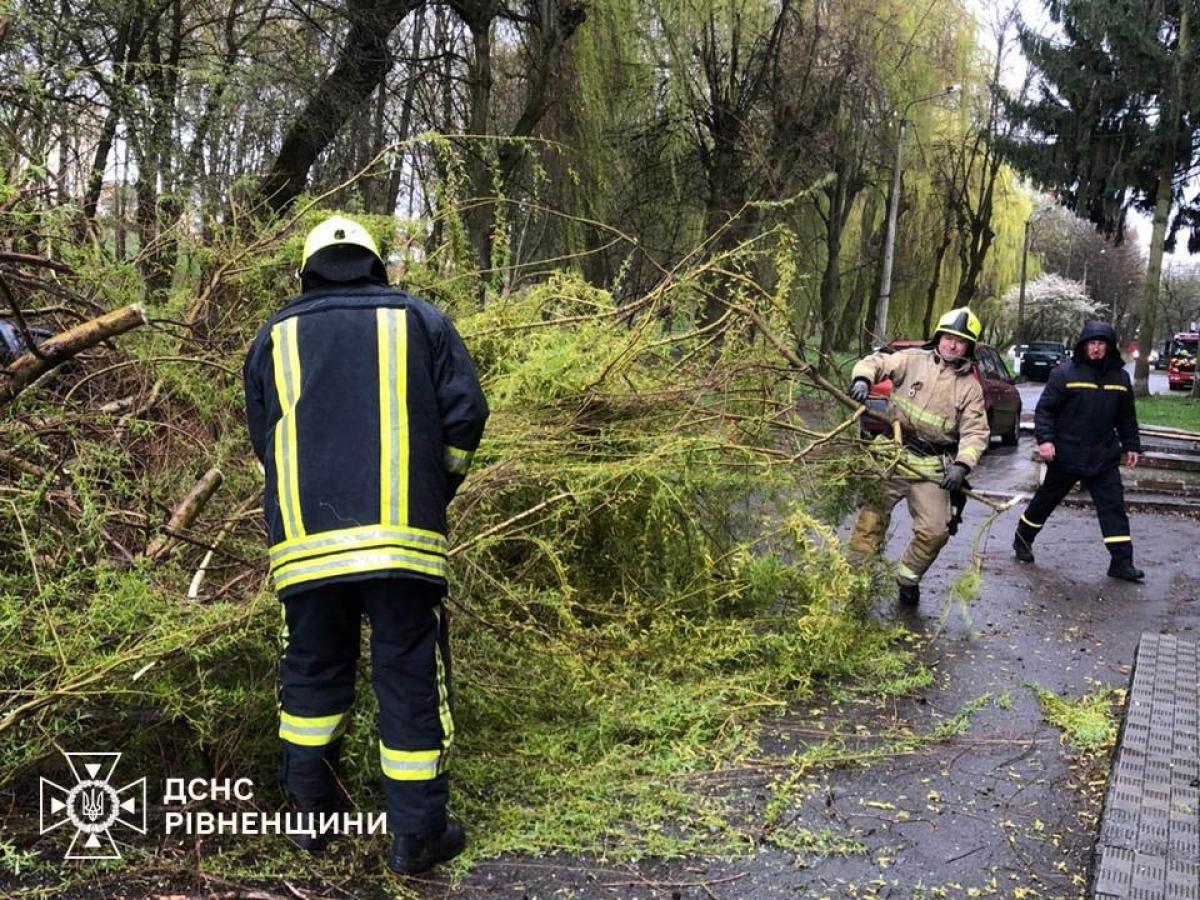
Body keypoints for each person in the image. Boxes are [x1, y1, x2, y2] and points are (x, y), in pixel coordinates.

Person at [243, 215, 488, 874]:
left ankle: (310, 819)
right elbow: (467, 415)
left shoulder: (275, 335)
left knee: (312, 675)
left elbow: (264, 436)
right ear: (380, 266)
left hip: (305, 551)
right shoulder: (422, 321)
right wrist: (436, 488)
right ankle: (416, 837)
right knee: (408, 679)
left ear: (306, 271)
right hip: (403, 547)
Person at [847, 307, 990, 606]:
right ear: (938, 337)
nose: (952, 345)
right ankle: (855, 582)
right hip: (893, 457)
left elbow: (976, 433)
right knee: (870, 520)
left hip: (932, 468)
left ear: (969, 347)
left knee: (935, 532)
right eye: (948, 337)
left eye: (960, 341)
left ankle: (907, 579)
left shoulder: (970, 389)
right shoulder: (912, 359)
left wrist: (962, 466)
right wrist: (863, 378)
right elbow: (877, 361)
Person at [1012, 321, 1143, 581]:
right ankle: (1022, 540)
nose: (1096, 349)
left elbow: (1126, 417)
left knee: (1112, 506)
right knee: (1045, 501)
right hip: (1066, 454)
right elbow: (1046, 410)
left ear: (1109, 347)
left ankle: (1121, 561)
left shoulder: (1120, 378)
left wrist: (1131, 446)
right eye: (1091, 344)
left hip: (1103, 456)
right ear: (1083, 346)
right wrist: (1046, 441)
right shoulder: (1064, 374)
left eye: (1101, 344)